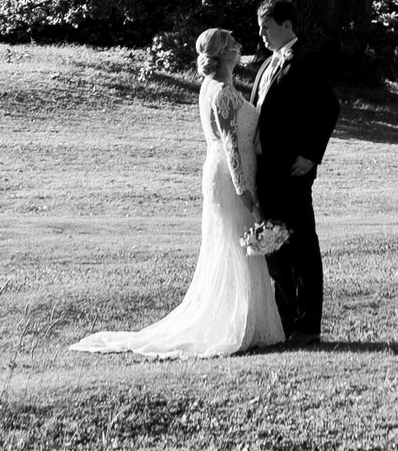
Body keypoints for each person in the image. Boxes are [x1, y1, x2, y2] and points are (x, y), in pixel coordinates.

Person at [74, 26, 284, 358]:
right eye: (233, 43)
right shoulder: (221, 92)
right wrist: (244, 186)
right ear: (224, 53)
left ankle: (248, 321)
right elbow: (230, 142)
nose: (239, 45)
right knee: (233, 245)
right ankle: (234, 325)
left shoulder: (215, 87)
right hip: (230, 175)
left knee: (234, 244)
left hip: (225, 170)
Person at [250, 0, 338, 346]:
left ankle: (308, 325)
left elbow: (328, 108)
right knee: (275, 247)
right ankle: (284, 319)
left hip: (291, 170)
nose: (262, 34)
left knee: (301, 245)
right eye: (260, 28)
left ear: (287, 25)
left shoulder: (306, 60)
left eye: (267, 27)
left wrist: (310, 155)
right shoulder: (267, 63)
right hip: (265, 171)